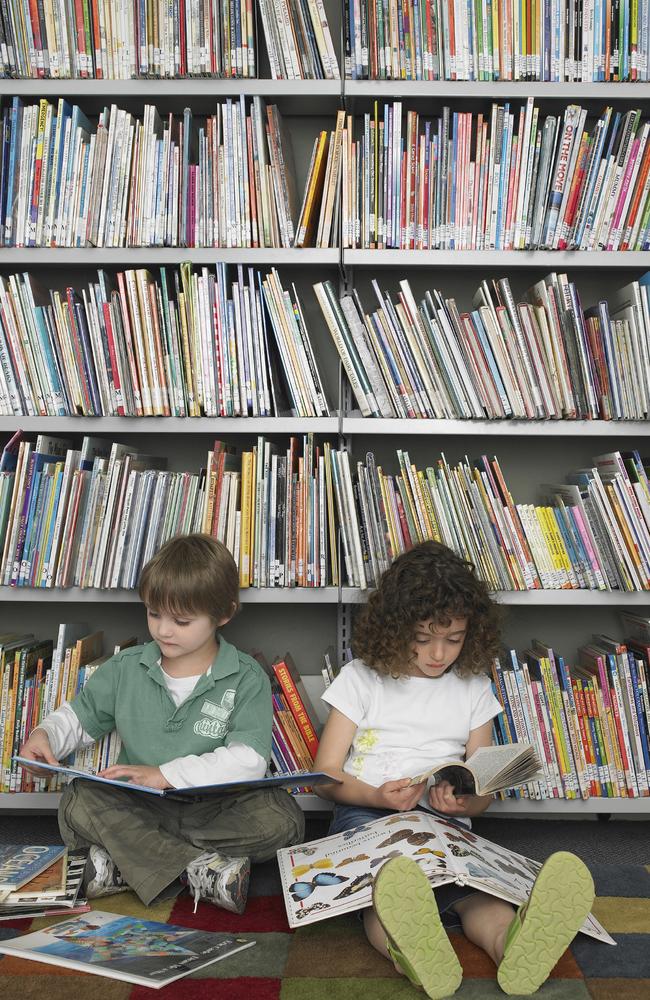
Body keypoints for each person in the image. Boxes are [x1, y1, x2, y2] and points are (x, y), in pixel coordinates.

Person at [313, 540, 594, 998]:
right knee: (386, 895)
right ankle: (421, 957)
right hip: (369, 817)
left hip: (446, 824)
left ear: (472, 633)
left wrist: (465, 799)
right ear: (393, 627)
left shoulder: (473, 688)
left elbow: (480, 785)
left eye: (454, 639)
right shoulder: (361, 678)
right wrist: (375, 796)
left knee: (478, 895)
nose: (438, 654)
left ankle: (515, 946)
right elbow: (325, 775)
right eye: (422, 639)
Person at [19, 533, 304, 915]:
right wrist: (45, 734)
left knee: (284, 819)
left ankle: (127, 865)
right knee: (77, 801)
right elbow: (79, 716)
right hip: (141, 807)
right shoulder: (126, 667)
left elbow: (249, 759)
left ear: (224, 615)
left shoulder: (245, 676)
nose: (164, 630)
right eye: (154, 614)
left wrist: (165, 773)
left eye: (181, 621)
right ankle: (198, 869)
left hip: (217, 810)